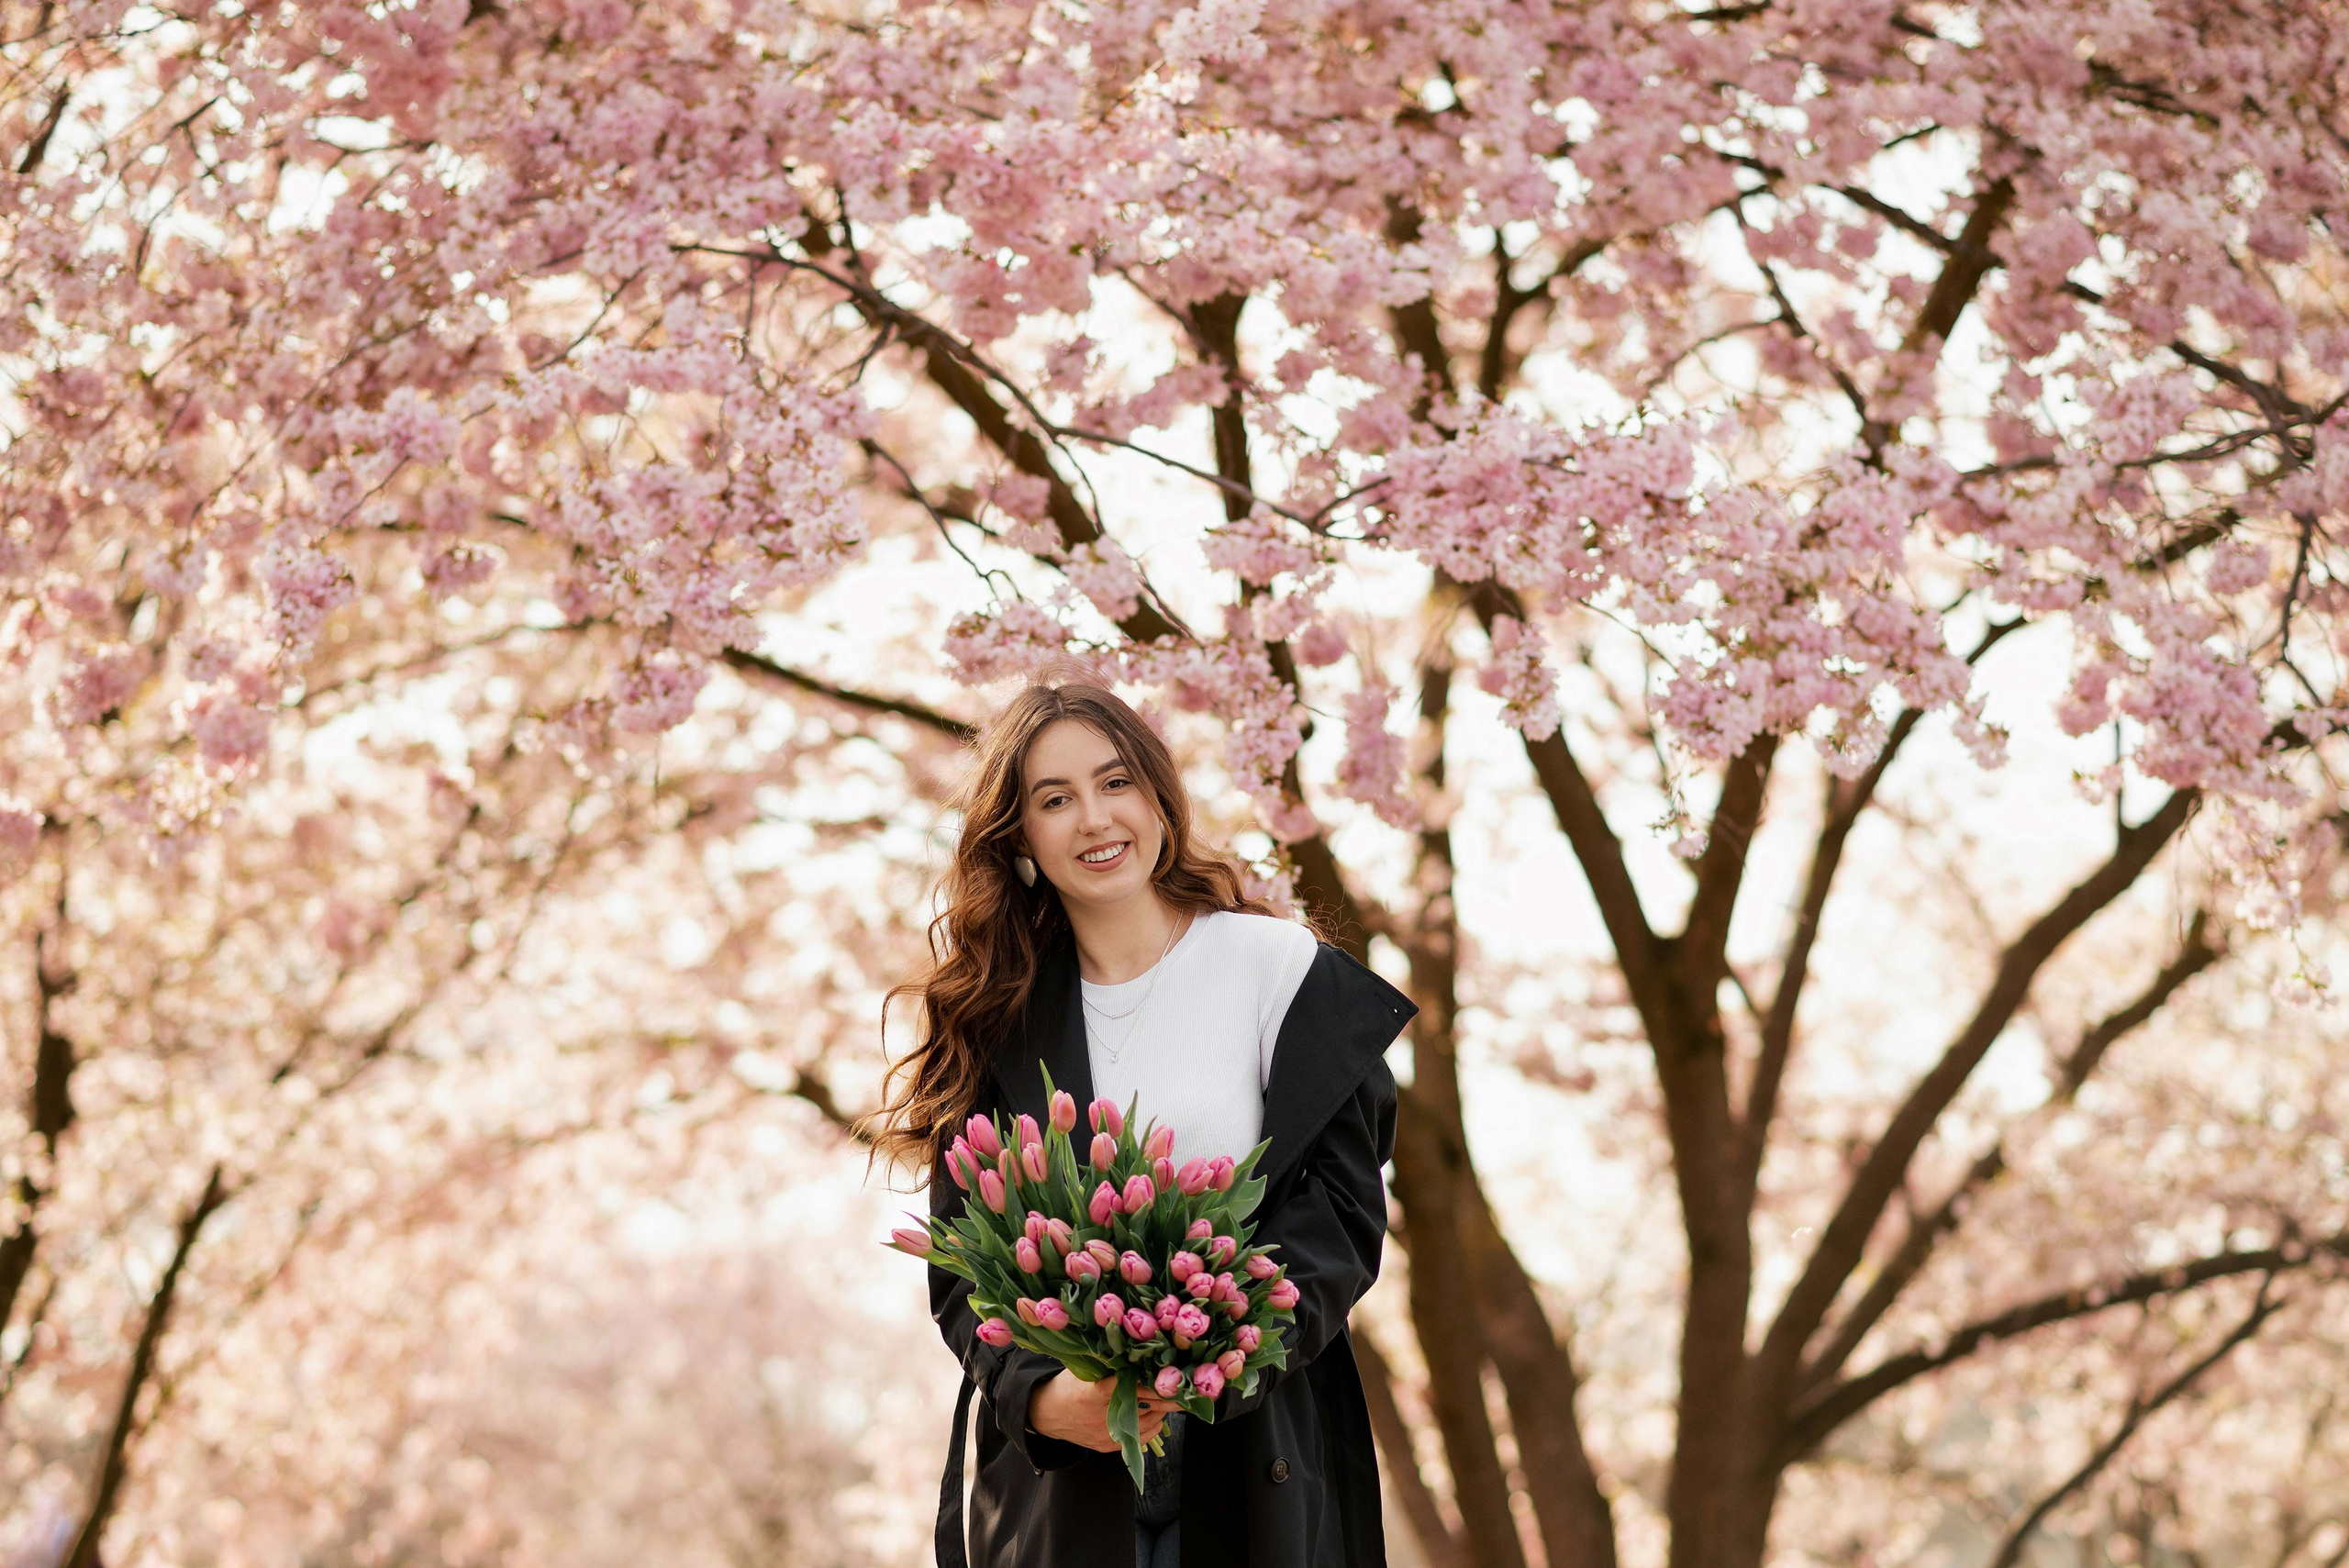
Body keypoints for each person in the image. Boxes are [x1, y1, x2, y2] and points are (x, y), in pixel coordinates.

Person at [871, 670, 1415, 1568]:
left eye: (1115, 781)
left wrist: (1214, 1351)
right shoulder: (997, 1018)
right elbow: (965, 1269)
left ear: (1159, 797)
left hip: (1253, 1457)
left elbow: (1342, 1216)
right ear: (1020, 837)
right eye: (1055, 799)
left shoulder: (1276, 969)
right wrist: (1045, 1398)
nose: (1094, 818)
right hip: (1067, 1487)